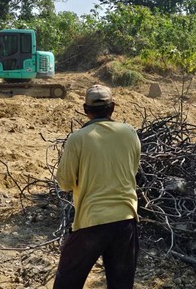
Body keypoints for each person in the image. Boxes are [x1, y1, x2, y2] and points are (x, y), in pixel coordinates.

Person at [53, 84, 141, 289]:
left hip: (91, 222)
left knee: (67, 282)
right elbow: (133, 170)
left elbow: (65, 183)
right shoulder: (129, 133)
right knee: (121, 284)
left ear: (85, 110)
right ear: (113, 108)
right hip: (126, 221)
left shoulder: (78, 139)